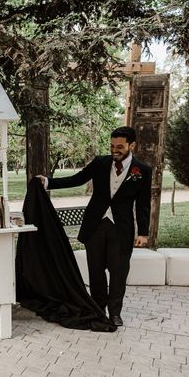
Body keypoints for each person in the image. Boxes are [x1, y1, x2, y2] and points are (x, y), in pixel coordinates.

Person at [38, 127, 152, 327]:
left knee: (118, 272)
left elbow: (143, 204)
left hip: (121, 229)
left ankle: (115, 313)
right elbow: (77, 179)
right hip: (95, 226)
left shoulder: (142, 170)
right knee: (96, 270)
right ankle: (98, 309)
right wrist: (48, 182)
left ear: (131, 146)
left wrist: (143, 232)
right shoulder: (100, 163)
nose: (114, 150)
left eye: (120, 147)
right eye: (112, 146)